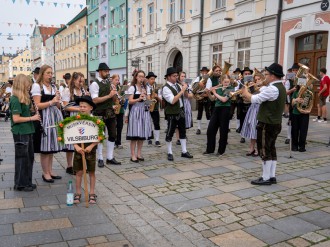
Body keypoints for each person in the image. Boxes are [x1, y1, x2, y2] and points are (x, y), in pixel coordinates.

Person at [241, 63, 286, 185]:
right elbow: (263, 91)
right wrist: (257, 86)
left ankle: (265, 178)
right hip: (275, 123)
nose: (265, 77)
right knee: (271, 149)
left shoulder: (272, 89)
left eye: (266, 75)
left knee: (264, 150)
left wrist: (246, 92)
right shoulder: (279, 87)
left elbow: (255, 99)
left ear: (272, 76)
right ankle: (271, 176)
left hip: (267, 123)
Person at [31, 65, 64, 183]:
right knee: (45, 147)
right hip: (44, 118)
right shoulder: (37, 86)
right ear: (42, 74)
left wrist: (58, 100)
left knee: (52, 146)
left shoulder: (53, 86)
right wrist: (51, 102)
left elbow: (58, 105)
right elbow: (37, 105)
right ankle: (45, 173)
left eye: (51, 73)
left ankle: (50, 170)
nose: (50, 75)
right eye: (48, 73)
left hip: (54, 118)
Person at [10, 74, 40, 191]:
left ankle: (27, 181)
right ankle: (20, 184)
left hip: (28, 130)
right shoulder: (15, 99)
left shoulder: (24, 98)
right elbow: (16, 119)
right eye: (27, 84)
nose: (29, 86)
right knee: (22, 158)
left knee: (29, 157)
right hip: (21, 132)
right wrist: (32, 118)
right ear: (22, 84)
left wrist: (32, 111)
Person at [90, 63, 121, 167]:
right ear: (100, 71)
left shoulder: (109, 83)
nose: (107, 73)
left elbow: (112, 99)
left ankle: (110, 157)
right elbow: (95, 100)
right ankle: (100, 158)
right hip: (99, 113)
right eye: (105, 71)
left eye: (108, 71)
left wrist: (114, 99)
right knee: (100, 136)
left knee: (113, 134)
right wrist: (109, 95)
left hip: (110, 112)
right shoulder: (94, 84)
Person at [162, 67, 193, 161]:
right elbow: (172, 100)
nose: (176, 77)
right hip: (172, 113)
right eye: (174, 76)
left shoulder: (178, 85)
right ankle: (169, 152)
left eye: (176, 76)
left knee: (183, 131)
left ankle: (184, 151)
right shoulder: (165, 88)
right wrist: (182, 90)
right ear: (168, 77)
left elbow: (187, 96)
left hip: (181, 111)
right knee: (170, 132)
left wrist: (188, 88)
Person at [72, 95, 98, 204]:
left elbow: (99, 136)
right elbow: (70, 136)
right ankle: (78, 193)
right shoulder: (74, 120)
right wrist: (76, 146)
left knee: (91, 172)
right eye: (80, 106)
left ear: (91, 108)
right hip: (79, 151)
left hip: (90, 150)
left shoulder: (95, 121)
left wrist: (91, 146)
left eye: (84, 107)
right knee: (79, 172)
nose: (82, 108)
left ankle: (92, 193)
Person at [62, 72, 87, 175]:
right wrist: (78, 109)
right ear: (74, 80)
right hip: (72, 117)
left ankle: (80, 165)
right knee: (71, 143)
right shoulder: (68, 90)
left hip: (82, 118)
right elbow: (65, 106)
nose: (81, 83)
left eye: (82, 81)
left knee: (82, 141)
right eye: (79, 81)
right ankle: (69, 166)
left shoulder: (82, 90)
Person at [126, 70, 153, 162]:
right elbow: (129, 101)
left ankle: (139, 153)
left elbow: (148, 101)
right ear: (136, 77)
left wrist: (149, 100)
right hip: (135, 111)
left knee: (142, 134)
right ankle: (133, 155)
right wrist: (138, 98)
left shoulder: (146, 87)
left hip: (144, 111)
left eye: (143, 77)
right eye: (140, 76)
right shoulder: (132, 87)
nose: (141, 78)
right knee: (134, 134)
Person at [204, 74, 233, 155]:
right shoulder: (218, 87)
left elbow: (224, 99)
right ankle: (210, 149)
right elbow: (213, 99)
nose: (226, 83)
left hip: (225, 109)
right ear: (221, 81)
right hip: (216, 109)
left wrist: (214, 92)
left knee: (223, 130)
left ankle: (221, 150)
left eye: (228, 82)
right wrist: (209, 93)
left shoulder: (230, 89)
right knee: (210, 129)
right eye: (225, 82)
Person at [240, 71, 265, 156]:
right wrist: (245, 91)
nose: (257, 81)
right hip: (253, 109)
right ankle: (251, 148)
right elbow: (246, 100)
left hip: (260, 109)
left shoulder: (264, 88)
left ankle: (259, 148)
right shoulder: (253, 88)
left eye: (259, 79)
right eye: (256, 79)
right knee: (251, 128)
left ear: (262, 80)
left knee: (258, 129)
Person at [175, 71, 193, 145]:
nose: (183, 78)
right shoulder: (176, 85)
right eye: (182, 76)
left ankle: (183, 135)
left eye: (184, 76)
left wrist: (186, 89)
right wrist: (184, 89)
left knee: (185, 120)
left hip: (186, 103)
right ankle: (178, 138)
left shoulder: (188, 85)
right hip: (179, 103)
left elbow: (190, 96)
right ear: (179, 77)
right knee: (178, 121)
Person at [237, 67, 253, 143]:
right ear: (243, 75)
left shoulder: (253, 82)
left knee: (251, 120)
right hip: (242, 103)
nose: (247, 75)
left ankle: (251, 135)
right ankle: (242, 136)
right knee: (242, 119)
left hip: (251, 103)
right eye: (245, 74)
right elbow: (236, 91)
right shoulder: (240, 82)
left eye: (248, 74)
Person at [193, 67, 212, 135]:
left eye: (205, 72)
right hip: (199, 97)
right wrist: (198, 83)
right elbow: (194, 86)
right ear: (201, 72)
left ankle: (208, 128)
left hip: (206, 97)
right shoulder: (198, 78)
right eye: (203, 72)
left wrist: (204, 92)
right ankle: (198, 128)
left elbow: (208, 89)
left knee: (208, 113)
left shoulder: (209, 79)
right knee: (199, 113)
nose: (204, 73)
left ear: (207, 72)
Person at [291, 85, 309, 152]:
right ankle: (294, 146)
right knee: (294, 130)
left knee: (303, 131)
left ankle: (302, 146)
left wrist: (305, 102)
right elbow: (292, 104)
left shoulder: (308, 92)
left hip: (305, 113)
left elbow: (310, 103)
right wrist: (296, 100)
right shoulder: (296, 92)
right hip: (295, 113)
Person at [146, 71, 162, 147]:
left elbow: (161, 99)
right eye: (151, 79)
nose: (153, 80)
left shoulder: (157, 87)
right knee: (148, 123)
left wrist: (157, 96)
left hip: (155, 108)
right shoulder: (145, 87)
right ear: (148, 79)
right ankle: (149, 138)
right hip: (147, 107)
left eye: (154, 79)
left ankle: (157, 140)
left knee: (156, 123)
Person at [284, 63, 299, 144]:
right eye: (293, 70)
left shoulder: (302, 79)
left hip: (300, 102)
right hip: (291, 102)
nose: (295, 72)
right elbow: (286, 92)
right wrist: (293, 89)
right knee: (290, 120)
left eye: (296, 70)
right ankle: (288, 137)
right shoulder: (288, 81)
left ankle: (298, 137)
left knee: (299, 121)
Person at [112, 74, 125, 149]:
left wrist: (123, 98)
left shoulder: (120, 88)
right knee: (114, 126)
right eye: (116, 80)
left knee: (120, 126)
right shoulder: (111, 88)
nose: (117, 81)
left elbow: (123, 98)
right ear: (112, 80)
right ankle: (113, 141)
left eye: (118, 80)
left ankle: (119, 142)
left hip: (121, 109)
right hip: (114, 108)